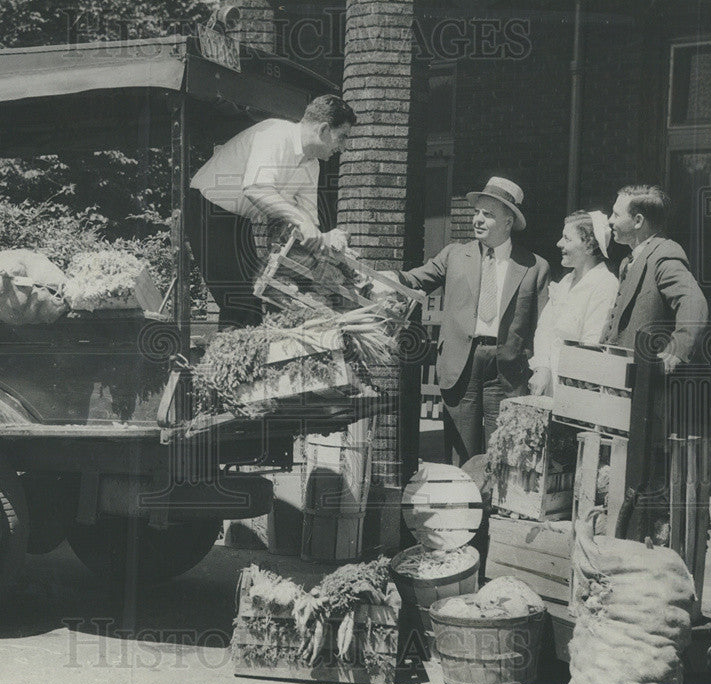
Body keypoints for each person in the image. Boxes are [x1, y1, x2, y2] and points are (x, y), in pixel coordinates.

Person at [398, 177, 551, 464]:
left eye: (488, 215)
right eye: (477, 212)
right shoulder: (454, 255)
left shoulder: (534, 266)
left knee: (505, 447)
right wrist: (380, 275)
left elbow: (543, 326)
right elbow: (413, 280)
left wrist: (541, 367)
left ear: (508, 221)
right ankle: (463, 507)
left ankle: (494, 508)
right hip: (461, 363)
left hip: (507, 369)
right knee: (460, 451)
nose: (478, 220)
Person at [187, 95, 356, 328]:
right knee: (240, 303)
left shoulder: (312, 164)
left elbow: (307, 220)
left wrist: (329, 240)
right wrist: (302, 222)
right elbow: (255, 188)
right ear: (324, 129)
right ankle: (225, 361)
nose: (343, 147)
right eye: (343, 137)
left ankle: (238, 360)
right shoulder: (275, 134)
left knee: (254, 300)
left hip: (238, 220)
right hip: (207, 208)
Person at [601, 185, 708, 371]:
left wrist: (678, 347)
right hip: (618, 375)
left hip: (645, 380)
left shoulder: (664, 254)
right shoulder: (628, 261)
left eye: (616, 215)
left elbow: (693, 301)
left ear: (638, 221)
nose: (610, 221)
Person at [528, 210, 619, 397]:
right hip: (547, 384)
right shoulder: (566, 282)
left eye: (567, 239)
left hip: (577, 390)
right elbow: (544, 329)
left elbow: (591, 344)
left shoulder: (605, 284)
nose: (559, 244)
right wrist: (542, 368)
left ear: (589, 245)